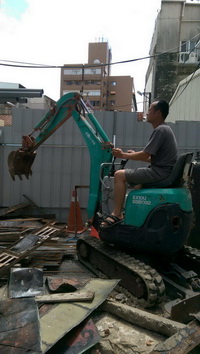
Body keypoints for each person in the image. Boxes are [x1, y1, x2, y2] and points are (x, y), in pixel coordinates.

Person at [100, 99, 178, 228]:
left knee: (119, 175)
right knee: (137, 186)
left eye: (149, 110)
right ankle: (134, 218)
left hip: (159, 173)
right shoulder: (165, 129)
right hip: (163, 170)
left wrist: (122, 155)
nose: (147, 113)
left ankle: (117, 213)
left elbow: (145, 154)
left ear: (158, 113)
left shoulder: (160, 131)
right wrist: (132, 154)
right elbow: (153, 158)